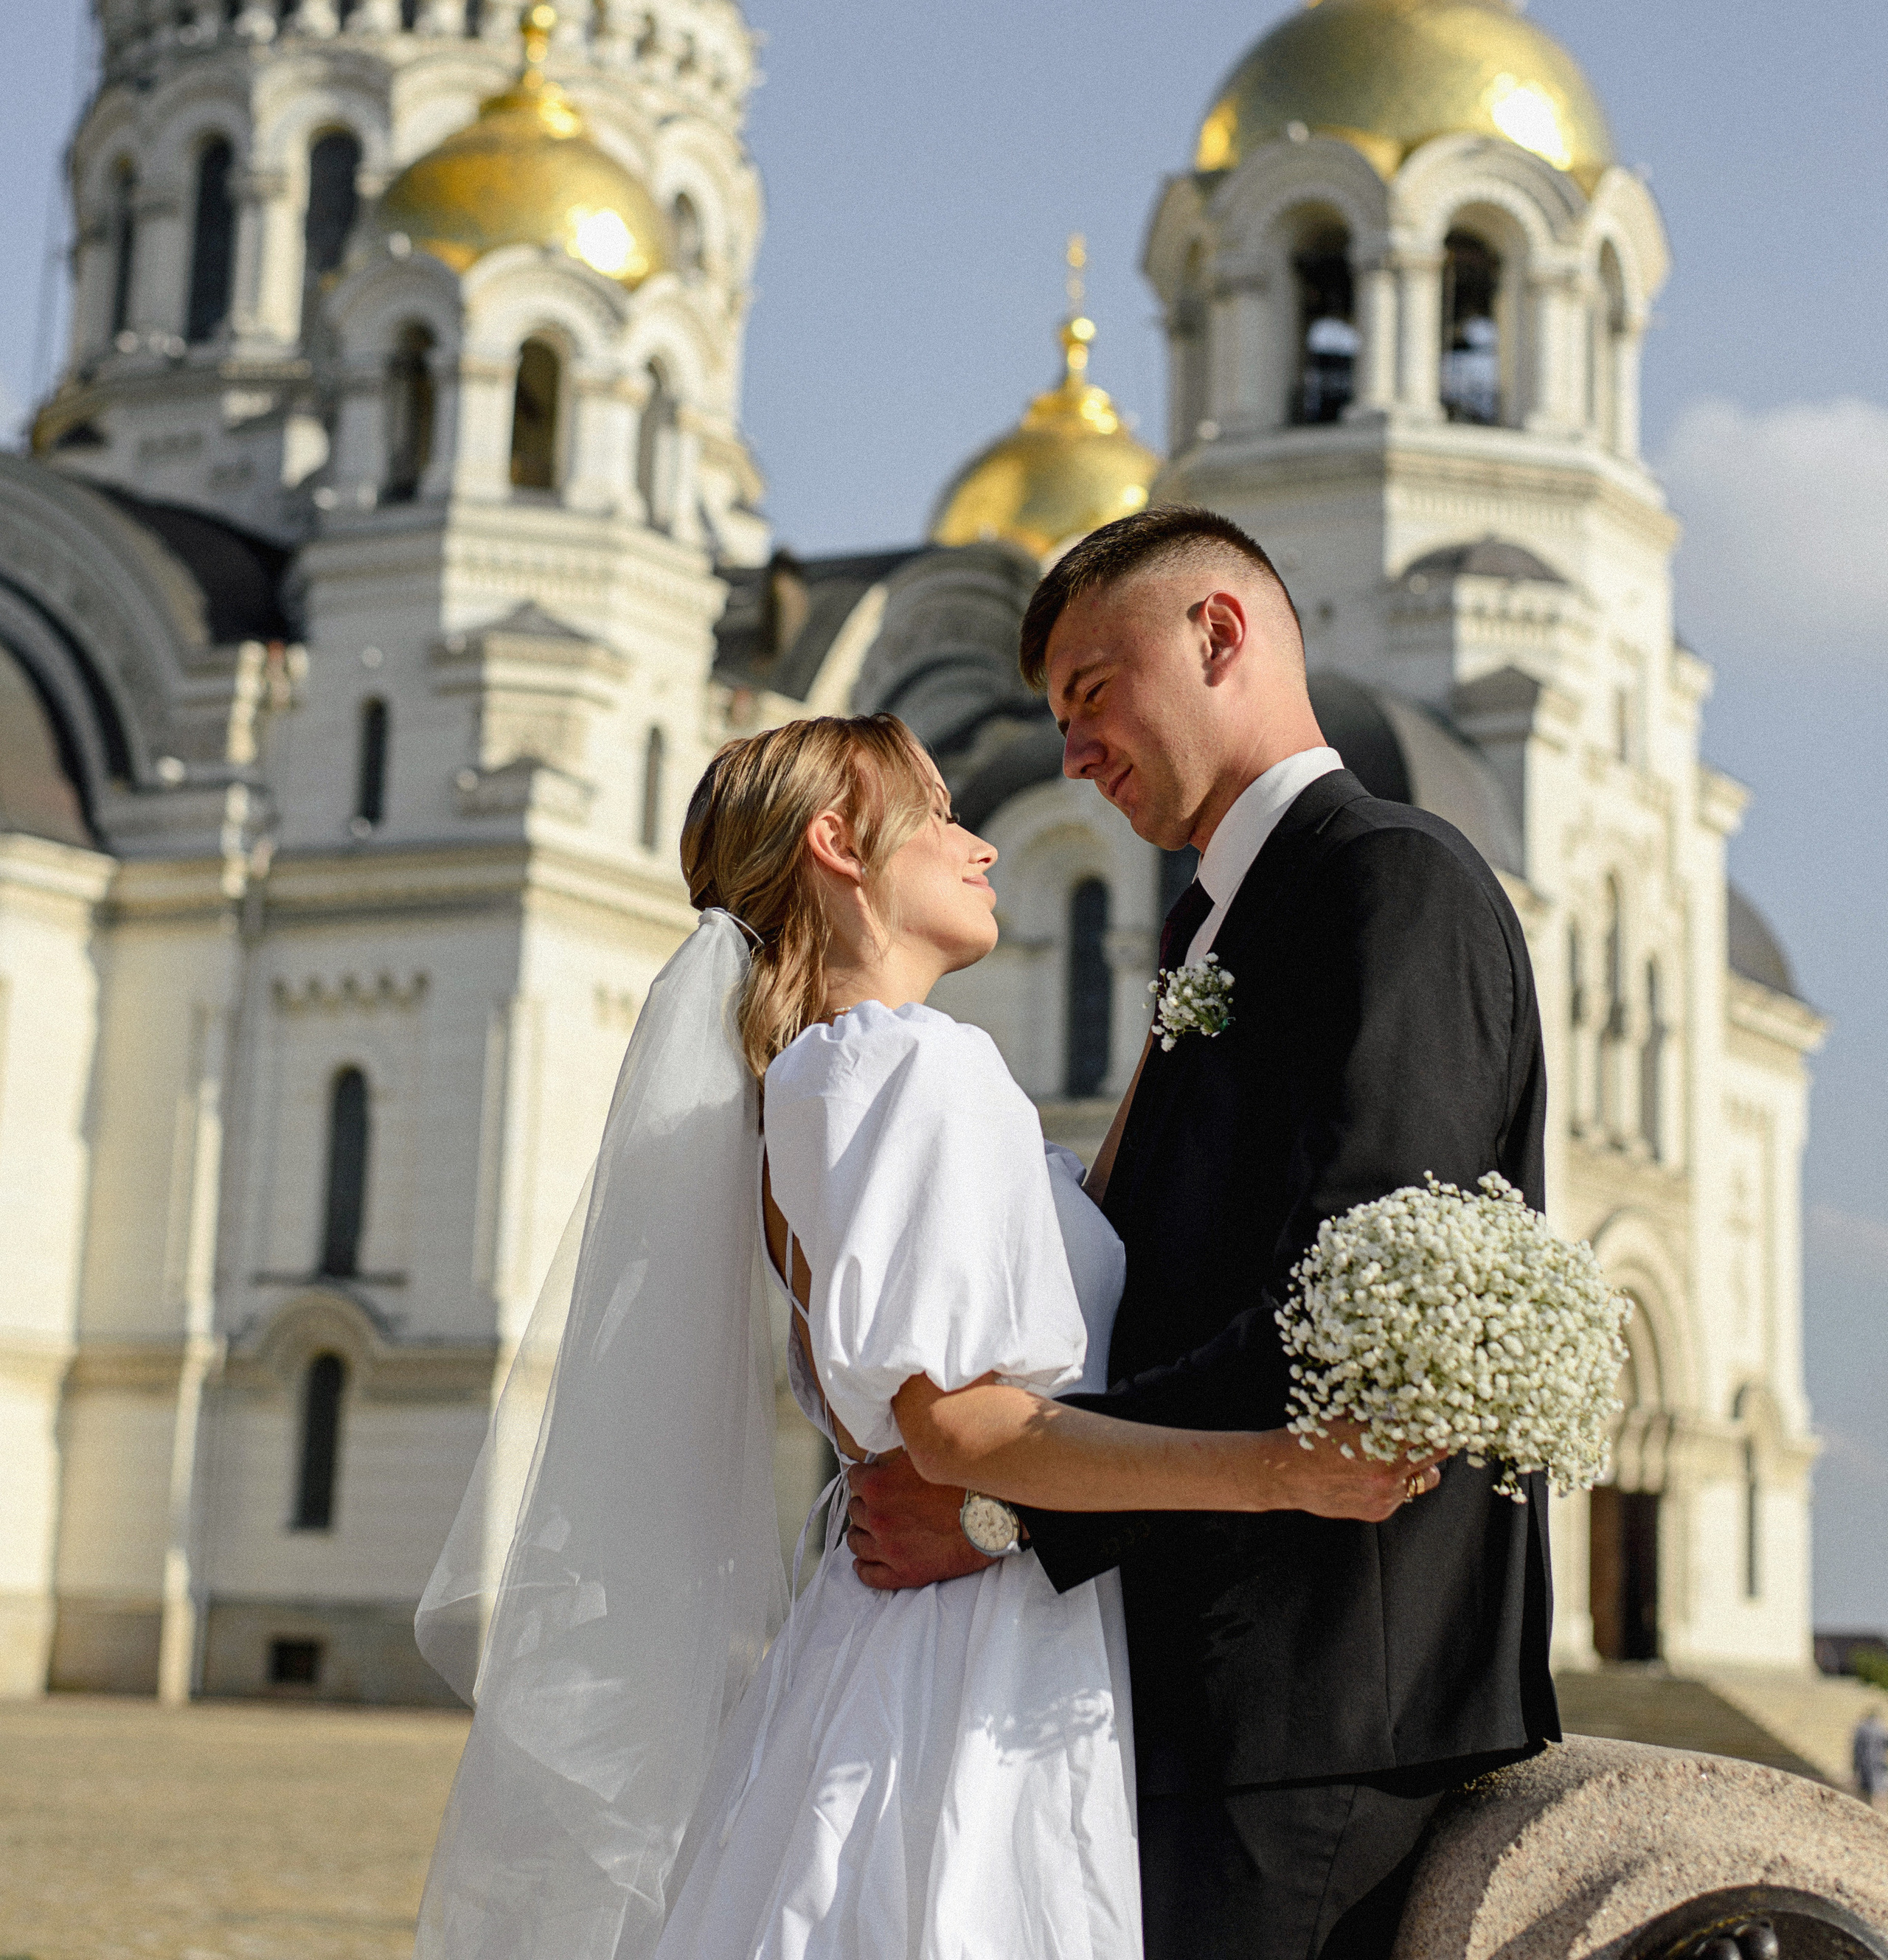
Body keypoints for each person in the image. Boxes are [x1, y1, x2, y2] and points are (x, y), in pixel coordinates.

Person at [413, 708, 1438, 1960]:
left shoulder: (825, 1073)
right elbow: (955, 1426)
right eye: (945, 814)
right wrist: (1280, 1468)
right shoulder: (910, 1064)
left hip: (898, 1635)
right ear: (840, 843)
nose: (983, 844)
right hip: (971, 1663)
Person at [850, 504, 1561, 1960]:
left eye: (1090, 698)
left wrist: (1005, 1502)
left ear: (1217, 635)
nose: (1071, 756)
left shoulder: (1387, 881)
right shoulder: (1214, 931)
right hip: (1202, 1686)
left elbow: (1355, 1314)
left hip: (1315, 1700)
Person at [1854, 1707, 1887, 1805]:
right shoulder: (1881, 1729)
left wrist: (1855, 1767)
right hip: (1878, 1765)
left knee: (1865, 1792)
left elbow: (1856, 1749)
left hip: (1864, 1765)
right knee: (1879, 1792)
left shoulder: (1861, 1729)